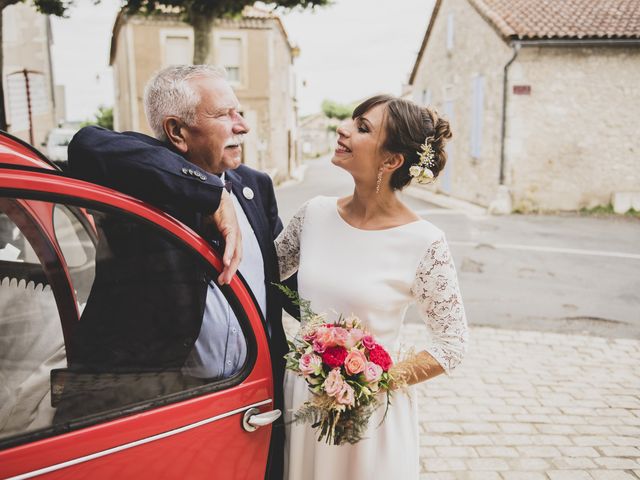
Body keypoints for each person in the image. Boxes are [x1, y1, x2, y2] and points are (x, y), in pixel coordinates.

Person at [66, 65, 292, 479]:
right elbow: (86, 145)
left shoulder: (255, 186)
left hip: (251, 404)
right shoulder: (139, 180)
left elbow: (285, 282)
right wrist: (210, 195)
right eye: (225, 114)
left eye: (239, 112)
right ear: (177, 132)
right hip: (166, 407)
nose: (242, 126)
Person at [276, 95, 469, 479]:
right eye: (351, 120)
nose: (343, 128)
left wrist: (370, 381)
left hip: (369, 414)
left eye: (362, 127)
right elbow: (259, 274)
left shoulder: (425, 241)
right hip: (302, 398)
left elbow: (452, 343)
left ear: (391, 160)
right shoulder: (313, 214)